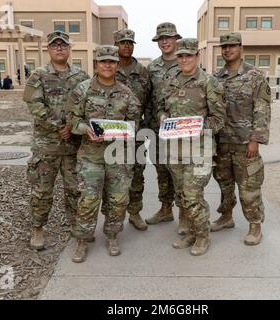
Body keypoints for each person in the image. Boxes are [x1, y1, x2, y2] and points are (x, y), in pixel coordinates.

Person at [65, 45, 141, 263]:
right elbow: (72, 119)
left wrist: (126, 129)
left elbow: (135, 121)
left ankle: (112, 235)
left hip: (118, 155)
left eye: (112, 61)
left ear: (117, 65)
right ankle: (83, 240)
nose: (107, 65)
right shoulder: (83, 90)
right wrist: (84, 129)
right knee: (88, 200)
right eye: (103, 61)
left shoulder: (126, 93)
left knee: (118, 199)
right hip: (91, 156)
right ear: (96, 64)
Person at [158, 38, 225, 256]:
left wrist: (195, 126)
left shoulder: (209, 82)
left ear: (197, 56)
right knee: (182, 194)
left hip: (199, 150)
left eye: (189, 55)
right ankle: (192, 232)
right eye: (181, 55)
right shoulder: (170, 80)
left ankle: (203, 236)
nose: (185, 59)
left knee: (192, 193)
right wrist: (163, 117)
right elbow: (161, 107)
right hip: (175, 150)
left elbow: (218, 119)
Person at [23, 30, 90, 251]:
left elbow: (87, 106)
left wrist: (73, 127)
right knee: (42, 191)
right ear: (48, 49)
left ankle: (75, 225)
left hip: (73, 146)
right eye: (54, 45)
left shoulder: (81, 77)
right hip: (47, 147)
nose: (59, 48)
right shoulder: (38, 76)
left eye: (63, 45)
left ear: (70, 49)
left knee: (75, 190)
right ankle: (38, 229)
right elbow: (35, 106)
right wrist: (58, 126)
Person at [211, 32, 271, 246]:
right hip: (222, 143)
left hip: (245, 144)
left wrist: (256, 139)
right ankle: (226, 217)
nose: (227, 50)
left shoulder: (255, 76)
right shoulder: (216, 78)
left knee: (249, 188)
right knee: (224, 185)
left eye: (232, 46)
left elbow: (262, 109)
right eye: (224, 46)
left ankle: (255, 225)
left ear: (240, 48)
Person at [145, 22, 187, 235]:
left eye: (168, 37)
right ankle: (165, 208)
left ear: (176, 39)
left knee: (179, 173)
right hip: (157, 128)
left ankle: (184, 215)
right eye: (161, 38)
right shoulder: (152, 68)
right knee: (162, 170)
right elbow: (148, 98)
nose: (165, 41)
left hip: (180, 131)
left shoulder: (185, 62)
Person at [113, 28, 150, 231]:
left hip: (137, 133)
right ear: (116, 45)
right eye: (122, 42)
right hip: (114, 135)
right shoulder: (108, 67)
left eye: (129, 43)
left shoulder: (143, 72)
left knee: (137, 174)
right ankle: (114, 217)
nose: (126, 46)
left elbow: (150, 101)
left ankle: (135, 213)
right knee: (115, 176)